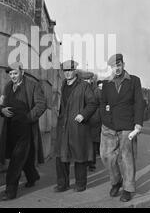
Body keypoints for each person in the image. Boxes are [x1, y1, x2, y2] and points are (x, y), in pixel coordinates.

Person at [0, 62, 47, 200]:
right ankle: (32, 176)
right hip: (10, 128)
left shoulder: (33, 85)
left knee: (16, 159)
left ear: (22, 72)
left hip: (26, 129)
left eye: (15, 73)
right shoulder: (8, 87)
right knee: (24, 157)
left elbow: (42, 104)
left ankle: (10, 190)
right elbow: (2, 104)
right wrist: (1, 110)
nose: (12, 76)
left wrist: (28, 118)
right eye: (11, 74)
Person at [100, 53, 144, 202]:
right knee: (106, 156)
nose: (116, 68)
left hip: (127, 125)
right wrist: (106, 121)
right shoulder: (106, 83)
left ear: (123, 65)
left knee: (126, 157)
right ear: (111, 68)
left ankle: (128, 188)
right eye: (113, 66)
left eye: (119, 65)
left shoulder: (134, 81)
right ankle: (116, 181)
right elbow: (102, 104)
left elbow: (139, 103)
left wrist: (138, 123)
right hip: (109, 125)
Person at [54, 60, 97, 192]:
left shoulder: (84, 86)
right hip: (63, 125)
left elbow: (92, 103)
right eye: (65, 71)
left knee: (80, 155)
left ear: (75, 71)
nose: (68, 73)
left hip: (78, 125)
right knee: (60, 155)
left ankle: (80, 184)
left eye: (70, 70)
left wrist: (83, 115)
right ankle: (62, 184)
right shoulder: (63, 85)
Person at [88, 80, 103, 172]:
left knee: (93, 143)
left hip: (94, 119)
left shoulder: (93, 91)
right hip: (96, 119)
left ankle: (91, 163)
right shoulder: (97, 92)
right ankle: (91, 163)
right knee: (93, 143)